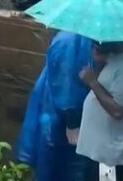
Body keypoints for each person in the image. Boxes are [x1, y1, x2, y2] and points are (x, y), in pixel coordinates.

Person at [17, 32, 94, 181]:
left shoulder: (77, 39)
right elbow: (66, 87)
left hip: (63, 118)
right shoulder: (70, 41)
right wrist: (72, 121)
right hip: (63, 124)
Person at [76, 41, 123, 181]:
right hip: (99, 149)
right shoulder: (122, 57)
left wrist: (92, 82)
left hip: (108, 155)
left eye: (99, 44)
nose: (96, 46)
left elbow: (118, 110)